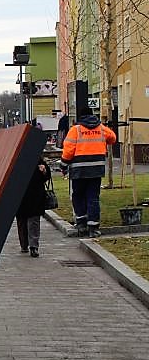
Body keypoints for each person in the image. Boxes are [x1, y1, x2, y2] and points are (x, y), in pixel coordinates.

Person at [60, 107, 116, 237]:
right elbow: (112, 138)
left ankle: (81, 224)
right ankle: (93, 227)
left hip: (79, 170)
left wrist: (63, 166)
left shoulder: (76, 130)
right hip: (96, 170)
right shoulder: (101, 128)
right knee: (93, 197)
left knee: (78, 196)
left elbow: (68, 151)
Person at [16, 157, 50, 257]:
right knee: (22, 220)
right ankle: (24, 244)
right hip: (20, 195)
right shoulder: (17, 159)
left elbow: (47, 176)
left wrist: (44, 170)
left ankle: (33, 246)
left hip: (35, 195)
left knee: (33, 220)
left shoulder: (38, 160)